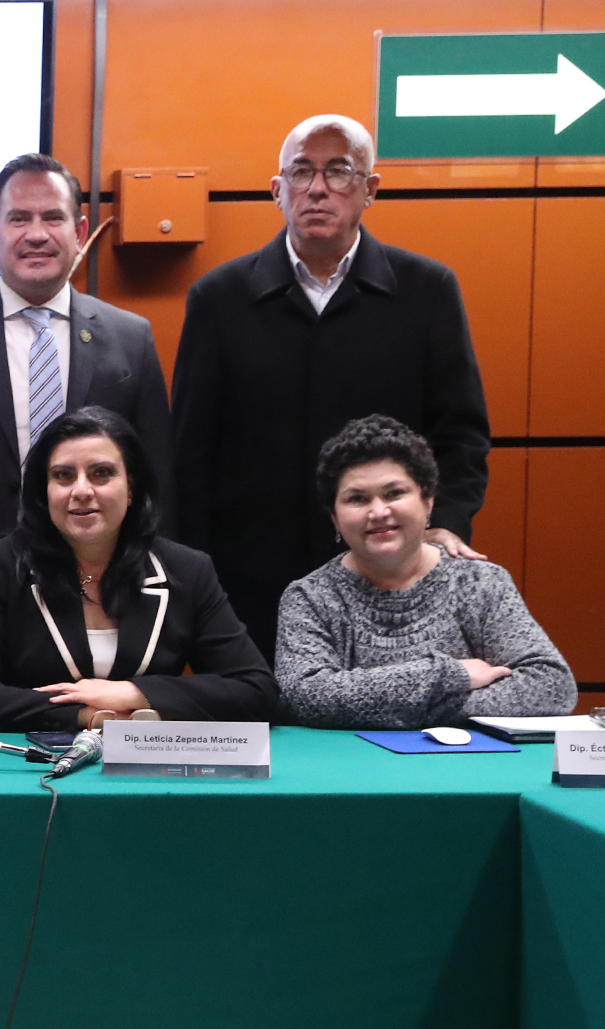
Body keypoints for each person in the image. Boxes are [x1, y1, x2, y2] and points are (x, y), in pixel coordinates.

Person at [171, 114, 493, 659]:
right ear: (277, 191)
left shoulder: (427, 290)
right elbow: (189, 453)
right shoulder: (219, 298)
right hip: (248, 583)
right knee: (261, 711)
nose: (317, 189)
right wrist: (194, 576)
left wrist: (443, 525)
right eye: (301, 172)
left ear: (370, 189)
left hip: (390, 571)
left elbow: (461, 433)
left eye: (339, 171)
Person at [0, 153, 173, 651]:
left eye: (53, 218)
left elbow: (156, 481)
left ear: (79, 232)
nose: (36, 234)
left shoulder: (131, 338)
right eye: (19, 219)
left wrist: (150, 590)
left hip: (103, 593)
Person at [0, 408, 278, 732]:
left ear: (131, 489)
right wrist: (87, 715)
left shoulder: (187, 570)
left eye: (101, 473)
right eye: (63, 476)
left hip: (149, 763)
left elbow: (257, 690)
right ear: (44, 491)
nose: (81, 490)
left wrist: (134, 693)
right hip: (34, 761)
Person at [276, 415, 573, 729]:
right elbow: (304, 697)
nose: (378, 512)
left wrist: (395, 709)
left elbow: (552, 686)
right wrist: (449, 675)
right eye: (357, 499)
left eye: (394, 493)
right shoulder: (309, 598)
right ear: (335, 518)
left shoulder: (479, 583)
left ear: (428, 501)